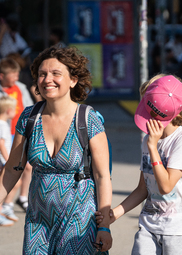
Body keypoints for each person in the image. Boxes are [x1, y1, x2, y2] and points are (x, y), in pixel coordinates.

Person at [0, 45, 112, 254]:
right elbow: (12, 169)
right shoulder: (29, 117)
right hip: (37, 224)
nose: (47, 79)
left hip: (80, 222)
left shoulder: (88, 119)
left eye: (56, 73)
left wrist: (104, 226)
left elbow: (102, 176)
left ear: (73, 80)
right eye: (42, 74)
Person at [96, 74, 182, 255]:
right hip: (149, 226)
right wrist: (115, 212)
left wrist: (153, 148)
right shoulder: (149, 139)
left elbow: (166, 186)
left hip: (181, 231)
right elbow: (143, 188)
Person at [0, 57, 33, 214]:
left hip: (20, 134)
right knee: (8, 169)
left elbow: (28, 106)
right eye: (13, 75)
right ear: (2, 76)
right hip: (5, 136)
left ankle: (23, 198)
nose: (16, 78)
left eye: (17, 74)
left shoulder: (20, 87)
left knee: (28, 167)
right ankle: (6, 204)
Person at [0, 96, 18, 226]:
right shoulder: (2, 125)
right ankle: (3, 209)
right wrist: (8, 160)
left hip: (3, 161)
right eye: (14, 109)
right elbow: (1, 144)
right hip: (2, 161)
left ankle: (4, 208)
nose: (16, 111)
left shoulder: (4, 124)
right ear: (8, 111)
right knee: (6, 184)